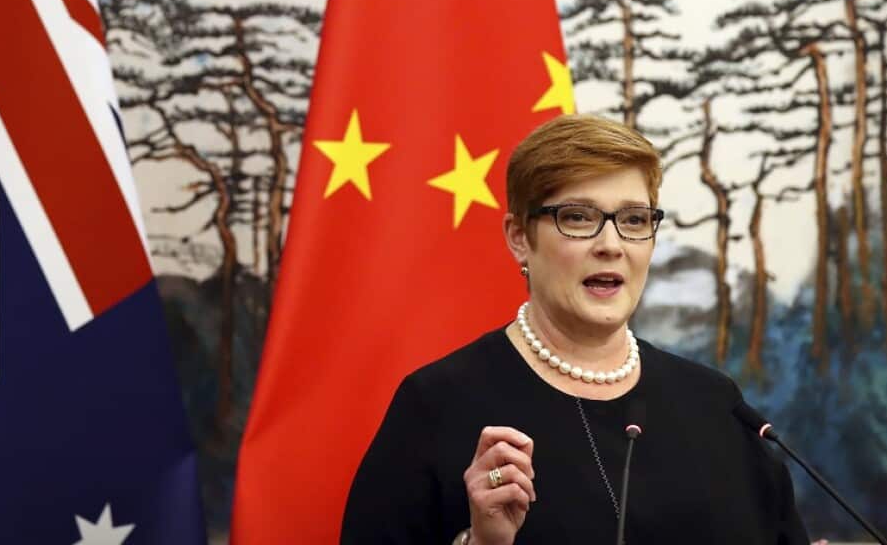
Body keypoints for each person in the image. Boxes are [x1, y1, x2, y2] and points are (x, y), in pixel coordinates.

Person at [341, 114, 810, 544]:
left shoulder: (718, 406)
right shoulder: (436, 405)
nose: (611, 245)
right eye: (579, 218)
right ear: (520, 238)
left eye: (633, 220)